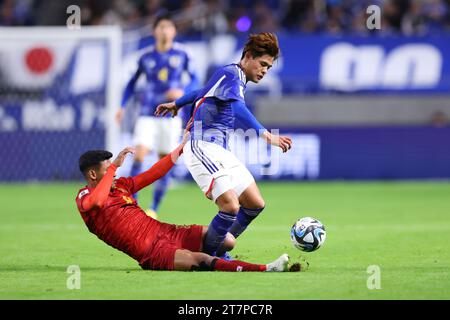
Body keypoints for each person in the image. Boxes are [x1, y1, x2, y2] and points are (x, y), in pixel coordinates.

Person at [155, 32, 292, 258]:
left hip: (220, 150)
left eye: (268, 67)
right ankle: (207, 258)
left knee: (254, 204)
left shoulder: (231, 76)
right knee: (230, 206)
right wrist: (267, 135)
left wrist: (177, 103)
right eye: (262, 64)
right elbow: (238, 108)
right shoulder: (232, 74)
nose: (265, 71)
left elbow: (201, 91)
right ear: (248, 56)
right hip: (201, 145)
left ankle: (217, 247)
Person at [75, 145, 301, 272]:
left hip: (167, 231)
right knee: (198, 259)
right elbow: (96, 202)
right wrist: (114, 167)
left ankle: (226, 260)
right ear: (93, 175)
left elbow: (153, 174)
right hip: (150, 252)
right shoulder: (84, 197)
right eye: (109, 170)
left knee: (228, 241)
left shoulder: (121, 186)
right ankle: (265, 268)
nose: (114, 173)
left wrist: (179, 149)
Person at [116, 12, 199, 219]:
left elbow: (196, 78)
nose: (164, 31)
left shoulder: (182, 55)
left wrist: (183, 92)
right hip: (147, 113)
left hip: (170, 115)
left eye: (168, 27)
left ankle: (153, 208)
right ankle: (131, 203)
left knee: (164, 161)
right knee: (140, 154)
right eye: (160, 27)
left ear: (174, 31)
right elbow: (131, 83)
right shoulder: (145, 57)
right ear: (154, 31)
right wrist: (121, 105)